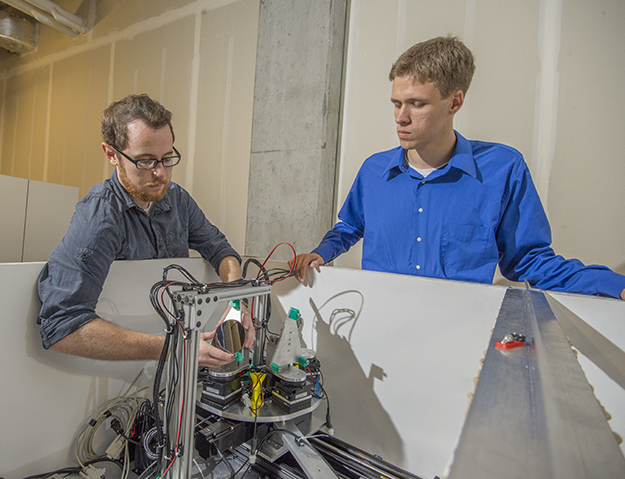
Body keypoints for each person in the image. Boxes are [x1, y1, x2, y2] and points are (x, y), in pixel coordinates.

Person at [293, 36, 625, 300]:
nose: (401, 118)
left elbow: (529, 260)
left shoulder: (502, 170)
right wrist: (322, 252)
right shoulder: (373, 170)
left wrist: (610, 283)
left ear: (455, 102)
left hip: (461, 343)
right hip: (378, 335)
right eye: (396, 103)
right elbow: (350, 227)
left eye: (417, 104)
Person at [37, 94, 253, 367]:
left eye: (167, 158)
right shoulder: (100, 216)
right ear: (111, 154)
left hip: (170, 366)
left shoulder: (177, 200)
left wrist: (235, 301)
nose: (161, 173)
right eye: (146, 161)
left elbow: (221, 251)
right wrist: (174, 347)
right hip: (118, 368)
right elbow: (62, 326)